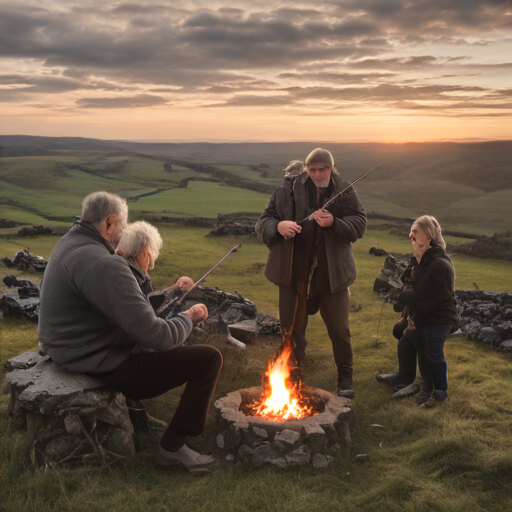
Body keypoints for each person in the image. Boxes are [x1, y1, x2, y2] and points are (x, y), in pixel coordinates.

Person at [38, 191, 223, 473]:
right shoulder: (104, 262)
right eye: (122, 226)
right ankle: (173, 448)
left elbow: (129, 308)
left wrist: (170, 296)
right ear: (110, 223)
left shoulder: (68, 243)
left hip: (65, 350)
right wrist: (188, 317)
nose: (124, 234)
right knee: (208, 359)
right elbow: (156, 337)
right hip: (98, 363)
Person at [256, 149, 367, 398]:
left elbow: (360, 223)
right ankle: (292, 375)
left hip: (332, 275)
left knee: (339, 329)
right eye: (313, 169)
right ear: (307, 169)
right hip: (295, 272)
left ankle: (345, 376)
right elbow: (263, 222)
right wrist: (278, 226)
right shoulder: (287, 190)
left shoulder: (345, 190)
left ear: (331, 169)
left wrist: (334, 223)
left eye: (322, 169)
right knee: (293, 328)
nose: (317, 174)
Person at [375, 215, 458, 407]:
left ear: (428, 235)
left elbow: (426, 298)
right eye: (411, 231)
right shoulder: (417, 261)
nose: (411, 235)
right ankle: (405, 378)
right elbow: (408, 288)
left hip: (440, 317)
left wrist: (404, 301)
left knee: (432, 351)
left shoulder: (439, 264)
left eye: (416, 232)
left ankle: (438, 392)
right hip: (423, 312)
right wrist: (404, 319)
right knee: (407, 342)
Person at [115, 220, 193, 311]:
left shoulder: (121, 267)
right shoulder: (132, 278)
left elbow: (150, 299)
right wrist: (188, 316)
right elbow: (148, 312)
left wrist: (176, 289)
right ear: (146, 253)